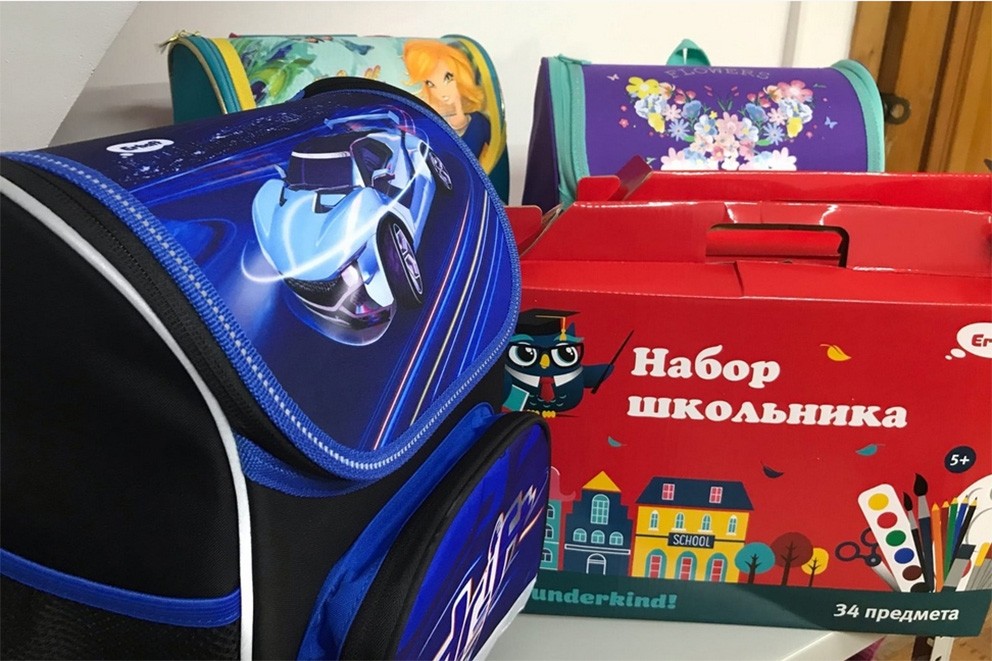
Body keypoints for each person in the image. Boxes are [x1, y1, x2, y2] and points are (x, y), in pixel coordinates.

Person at [403, 40, 491, 159]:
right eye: (430, 84)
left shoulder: (479, 122)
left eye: (448, 78)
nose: (442, 92)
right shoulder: (430, 125)